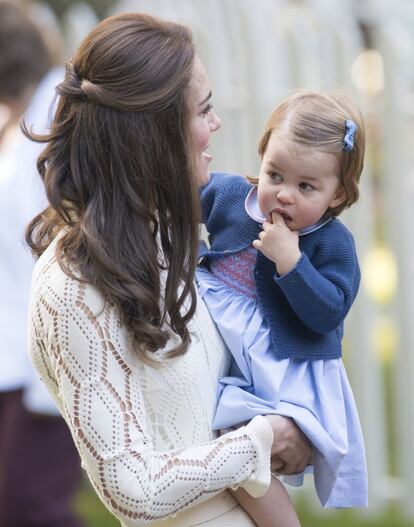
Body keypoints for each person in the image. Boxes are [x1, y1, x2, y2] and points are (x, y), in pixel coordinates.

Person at [26, 12, 313, 527]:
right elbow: (132, 487)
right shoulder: (71, 285)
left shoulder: (165, 241)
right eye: (203, 111)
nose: (216, 124)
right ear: (152, 133)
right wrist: (261, 441)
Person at [196, 90, 368, 526]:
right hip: (222, 343)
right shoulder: (232, 196)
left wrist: (291, 263)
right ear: (263, 157)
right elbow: (177, 204)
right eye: (275, 174)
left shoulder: (332, 244)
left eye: (306, 186)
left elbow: (329, 313)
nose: (284, 195)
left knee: (245, 443)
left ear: (337, 193)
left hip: (279, 366)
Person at [0, 2, 83, 526]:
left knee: (30, 504)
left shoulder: (59, 122)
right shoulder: (19, 124)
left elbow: (71, 248)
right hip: (16, 360)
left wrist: (47, 380)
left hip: (51, 361)